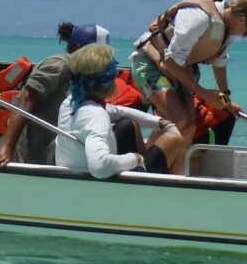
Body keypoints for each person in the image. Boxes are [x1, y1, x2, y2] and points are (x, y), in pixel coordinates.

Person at [130, 0, 247, 174]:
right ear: (243, 20)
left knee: (189, 128)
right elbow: (171, 60)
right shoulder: (199, 18)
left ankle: (167, 173)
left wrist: (225, 100)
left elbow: (219, 62)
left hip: (179, 72)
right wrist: (204, 93)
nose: (245, 36)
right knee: (179, 121)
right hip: (150, 63)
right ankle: (143, 169)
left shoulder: (226, 29)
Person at [0, 22, 110, 167]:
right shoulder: (59, 65)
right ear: (79, 49)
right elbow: (25, 101)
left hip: (64, 154)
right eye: (99, 53)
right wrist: (7, 148)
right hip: (38, 156)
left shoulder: (87, 75)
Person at [55, 44, 177, 178]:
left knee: (126, 123)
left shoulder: (70, 103)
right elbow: (100, 166)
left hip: (69, 176)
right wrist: (135, 158)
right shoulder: (96, 116)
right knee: (175, 140)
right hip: (95, 186)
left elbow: (118, 111)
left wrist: (158, 122)